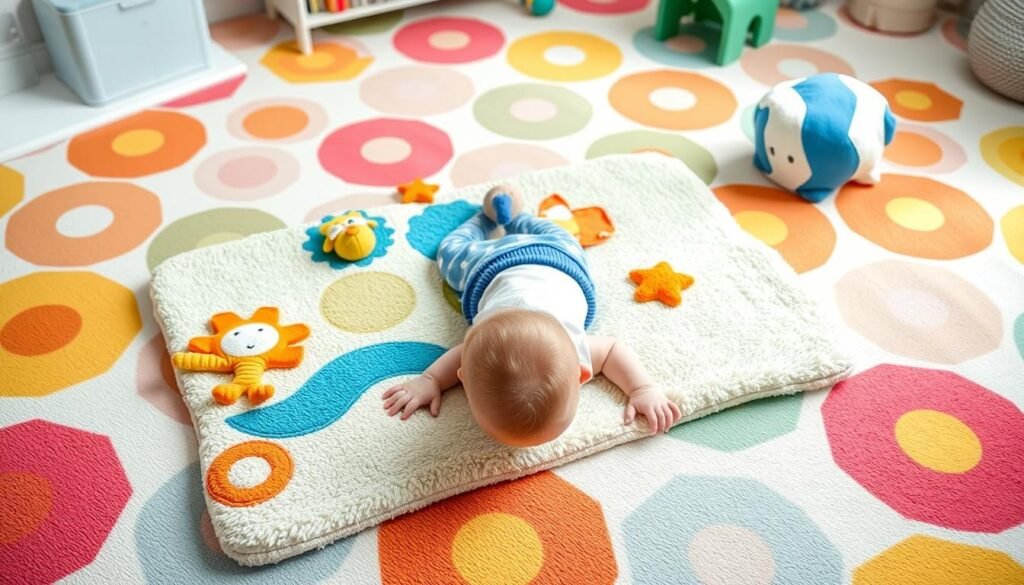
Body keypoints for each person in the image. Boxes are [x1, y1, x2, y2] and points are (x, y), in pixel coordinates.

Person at [383, 185, 681, 446]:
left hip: (546, 256)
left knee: (560, 234)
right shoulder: (495, 346)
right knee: (450, 252)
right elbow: (461, 354)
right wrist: (430, 379)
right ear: (581, 373)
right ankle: (496, 216)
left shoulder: (568, 348)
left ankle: (508, 215)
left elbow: (614, 349)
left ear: (583, 373)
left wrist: (644, 388)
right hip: (516, 261)